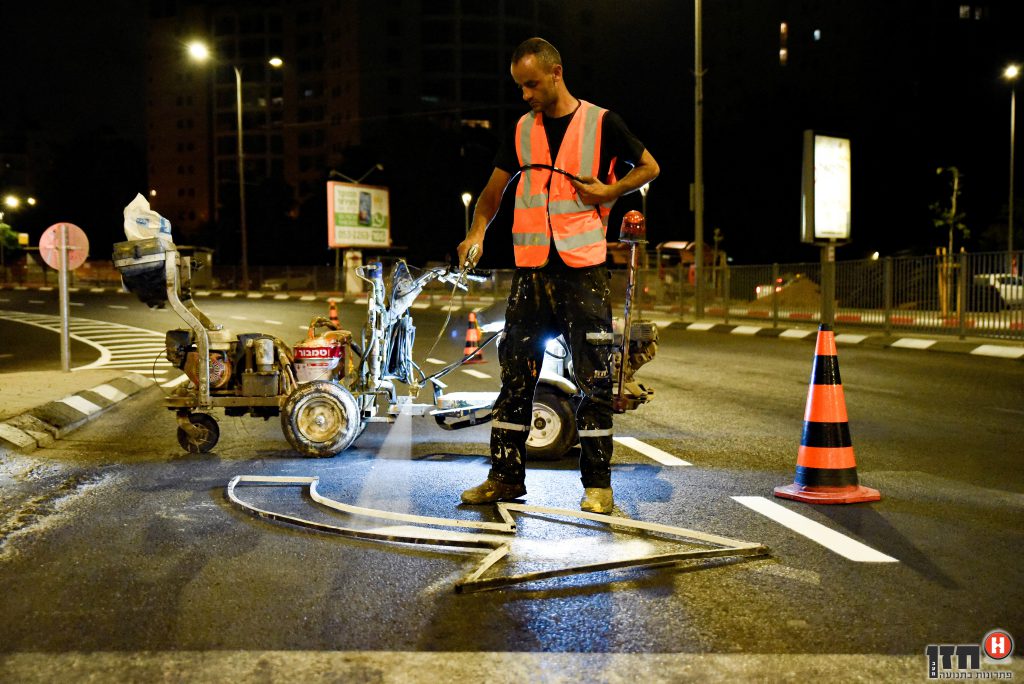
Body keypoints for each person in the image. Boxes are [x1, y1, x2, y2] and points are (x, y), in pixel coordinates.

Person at [457, 37, 660, 513]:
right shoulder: (522, 130)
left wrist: (608, 190)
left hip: (582, 270)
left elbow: (649, 167)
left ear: (555, 73)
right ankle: (505, 478)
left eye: (530, 84)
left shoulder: (601, 122)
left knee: (593, 377)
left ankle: (598, 485)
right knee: (516, 377)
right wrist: (476, 232)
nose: (525, 94)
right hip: (530, 271)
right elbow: (492, 192)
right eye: (519, 87)